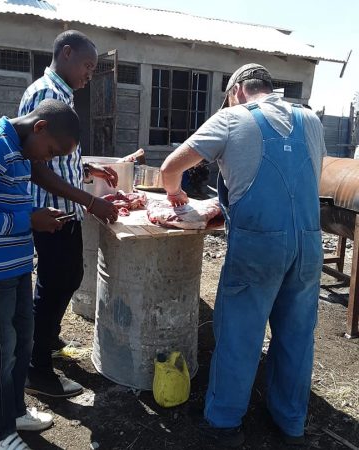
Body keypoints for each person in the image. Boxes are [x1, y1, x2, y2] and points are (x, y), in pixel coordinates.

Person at [160, 64, 326, 447]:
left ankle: (224, 423)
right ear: (269, 87)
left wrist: (175, 196)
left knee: (240, 332)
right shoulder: (310, 119)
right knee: (297, 334)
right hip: (308, 241)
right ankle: (290, 423)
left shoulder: (232, 118)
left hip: (258, 244)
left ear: (236, 90)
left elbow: (172, 168)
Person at [0, 99, 81, 449]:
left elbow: (3, 200)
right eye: (51, 151)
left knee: (20, 343)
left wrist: (34, 212)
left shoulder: (19, 150)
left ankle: (12, 412)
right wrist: (28, 220)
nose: (48, 160)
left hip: (15, 265)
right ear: (39, 128)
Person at [18, 30, 119, 398]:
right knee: (56, 282)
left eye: (94, 69)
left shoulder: (61, 94)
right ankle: (36, 369)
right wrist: (92, 201)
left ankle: (48, 341)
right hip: (52, 214)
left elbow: (61, 159)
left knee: (64, 278)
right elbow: (38, 167)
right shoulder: (47, 94)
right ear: (66, 53)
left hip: (63, 211)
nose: (90, 74)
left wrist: (90, 170)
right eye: (88, 66)